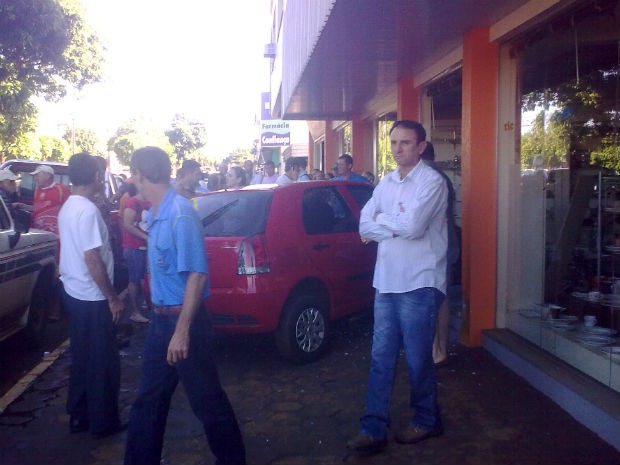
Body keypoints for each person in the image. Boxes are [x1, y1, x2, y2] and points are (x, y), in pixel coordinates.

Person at [124, 146, 246, 465]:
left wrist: (182, 332)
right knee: (147, 402)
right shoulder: (152, 214)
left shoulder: (181, 213)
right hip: (159, 323)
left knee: (207, 403)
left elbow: (196, 275)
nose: (131, 180)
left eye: (132, 173)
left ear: (141, 174)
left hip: (185, 324)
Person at [348, 120, 448, 455]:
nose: (397, 148)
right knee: (380, 357)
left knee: (419, 358)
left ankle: (426, 419)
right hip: (386, 282)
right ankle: (373, 427)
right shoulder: (386, 183)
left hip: (419, 282)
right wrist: (390, 225)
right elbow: (362, 222)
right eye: (393, 142)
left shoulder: (432, 183)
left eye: (405, 143)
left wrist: (380, 224)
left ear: (421, 147)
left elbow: (416, 226)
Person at [57, 152, 126, 438]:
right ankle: (103, 422)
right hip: (92, 296)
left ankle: (80, 414)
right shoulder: (86, 211)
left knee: (83, 356)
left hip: (74, 291)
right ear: (97, 176)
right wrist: (112, 297)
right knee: (103, 362)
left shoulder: (69, 207)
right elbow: (92, 259)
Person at [420, 143, 460, 366]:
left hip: (438, 246)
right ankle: (438, 349)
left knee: (436, 297)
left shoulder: (430, 178)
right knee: (439, 296)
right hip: (445, 244)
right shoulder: (441, 177)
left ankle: (438, 350)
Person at [120, 182, 150, 324]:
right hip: (134, 247)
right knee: (134, 280)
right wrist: (147, 238)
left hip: (146, 247)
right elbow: (127, 224)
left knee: (144, 278)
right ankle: (134, 312)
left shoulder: (149, 202)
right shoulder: (132, 202)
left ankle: (143, 306)